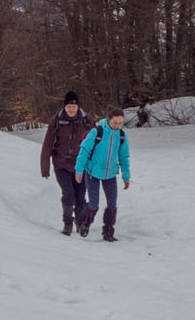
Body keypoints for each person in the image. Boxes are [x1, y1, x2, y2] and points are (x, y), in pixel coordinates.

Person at [38, 91, 94, 236]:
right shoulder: (56, 120)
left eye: (73, 106)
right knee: (68, 193)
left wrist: (95, 165)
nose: (71, 109)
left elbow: (96, 144)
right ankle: (67, 222)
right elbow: (47, 144)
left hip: (81, 165)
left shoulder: (87, 121)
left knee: (80, 195)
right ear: (65, 106)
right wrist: (45, 168)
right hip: (61, 163)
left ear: (77, 107)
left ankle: (80, 221)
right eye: (69, 106)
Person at [74, 109, 132, 242]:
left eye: (120, 123)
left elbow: (124, 157)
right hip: (92, 173)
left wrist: (126, 177)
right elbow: (84, 151)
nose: (117, 126)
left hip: (110, 174)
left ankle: (108, 232)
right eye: (115, 122)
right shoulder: (97, 132)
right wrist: (79, 170)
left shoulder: (121, 136)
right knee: (94, 203)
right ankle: (85, 224)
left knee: (112, 204)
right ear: (108, 120)